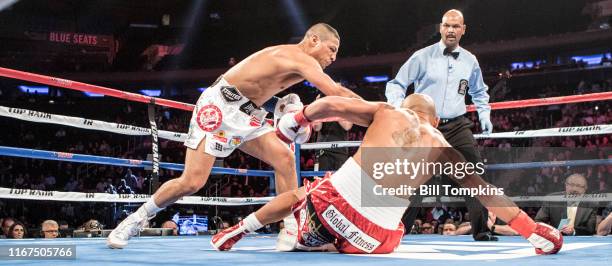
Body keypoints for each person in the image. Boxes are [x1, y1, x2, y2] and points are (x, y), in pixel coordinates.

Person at [108, 23, 361, 249]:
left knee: (284, 160)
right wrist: (379, 110)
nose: (334, 57)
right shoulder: (301, 57)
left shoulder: (294, 61)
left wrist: (276, 106)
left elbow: (257, 87)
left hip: (249, 112)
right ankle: (133, 220)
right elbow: (333, 91)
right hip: (220, 105)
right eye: (332, 48)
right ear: (314, 40)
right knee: (192, 181)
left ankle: (291, 230)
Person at [211, 94, 562, 255]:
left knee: (303, 194)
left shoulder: (386, 110)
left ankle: (236, 230)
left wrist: (296, 121)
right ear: (436, 121)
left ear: (405, 108)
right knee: (397, 225)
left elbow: (330, 105)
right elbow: (486, 193)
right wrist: (532, 232)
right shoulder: (444, 147)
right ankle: (332, 240)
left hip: (331, 208)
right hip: (377, 241)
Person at [385, 9, 495, 241]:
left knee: (475, 174)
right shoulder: (422, 56)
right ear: (440, 28)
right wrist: (401, 109)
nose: (451, 30)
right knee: (412, 179)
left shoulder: (470, 60)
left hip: (457, 125)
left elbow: (478, 91)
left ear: (463, 30)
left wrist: (484, 113)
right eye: (447, 26)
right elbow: (396, 84)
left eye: (456, 26)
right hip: (425, 125)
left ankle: (482, 231)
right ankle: (397, 232)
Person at [313, 94, 353, 171]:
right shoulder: (322, 106)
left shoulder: (346, 108)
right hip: (323, 151)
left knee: (340, 181)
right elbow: (316, 128)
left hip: (340, 151)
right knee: (322, 180)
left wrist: (336, 108)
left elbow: (347, 126)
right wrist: (317, 106)